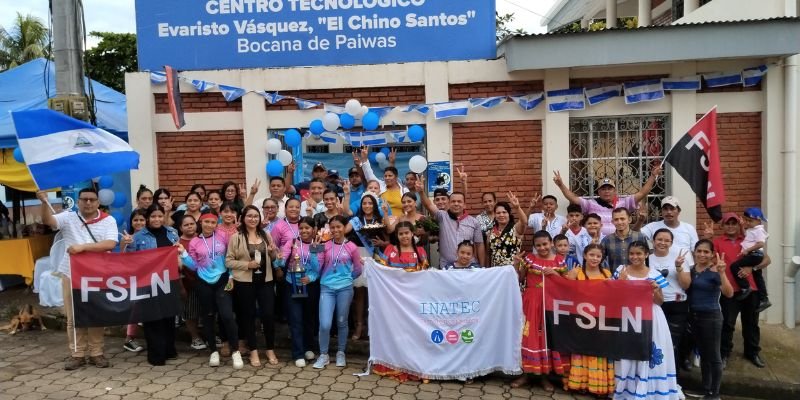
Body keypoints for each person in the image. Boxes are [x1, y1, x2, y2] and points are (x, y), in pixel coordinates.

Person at [37, 188, 118, 370]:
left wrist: (82, 247)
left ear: (98, 202)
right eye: (84, 199)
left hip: (97, 275)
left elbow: (110, 243)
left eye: (92, 199)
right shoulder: (68, 217)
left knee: (96, 314)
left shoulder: (108, 220)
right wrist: (44, 202)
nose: (88, 203)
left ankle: (96, 352)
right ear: (78, 201)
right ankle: (77, 354)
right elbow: (48, 221)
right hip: (71, 273)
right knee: (73, 316)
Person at [613, 241, 680, 400]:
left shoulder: (654, 274)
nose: (635, 257)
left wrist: (656, 290)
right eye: (632, 254)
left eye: (639, 253)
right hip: (627, 316)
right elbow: (613, 297)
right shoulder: (620, 271)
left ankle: (649, 389)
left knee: (648, 350)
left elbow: (660, 302)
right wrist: (620, 283)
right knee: (628, 351)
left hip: (651, 316)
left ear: (646, 255)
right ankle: (626, 388)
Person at [705, 213, 771, 369]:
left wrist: (751, 267)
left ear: (739, 225)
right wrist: (708, 238)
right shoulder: (718, 242)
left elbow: (767, 259)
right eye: (728, 224)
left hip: (751, 289)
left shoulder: (748, 240)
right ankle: (724, 353)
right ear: (723, 226)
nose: (731, 226)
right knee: (727, 324)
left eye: (734, 223)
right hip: (729, 290)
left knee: (751, 324)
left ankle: (752, 352)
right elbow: (706, 258)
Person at [179, 213, 242, 369]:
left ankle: (235, 351)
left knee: (227, 315)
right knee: (208, 316)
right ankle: (213, 351)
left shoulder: (223, 236)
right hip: (203, 282)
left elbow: (230, 257)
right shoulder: (194, 241)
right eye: (206, 221)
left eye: (213, 222)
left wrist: (232, 276)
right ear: (201, 222)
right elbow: (194, 266)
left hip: (223, 279)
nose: (209, 225)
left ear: (216, 224)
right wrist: (184, 254)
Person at [512, 231, 568, 391]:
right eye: (538, 245)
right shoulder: (530, 259)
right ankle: (526, 374)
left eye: (545, 244)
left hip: (550, 304)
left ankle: (544, 377)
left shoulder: (560, 262)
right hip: (531, 302)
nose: (542, 248)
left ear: (551, 243)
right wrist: (517, 264)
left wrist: (556, 274)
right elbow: (520, 279)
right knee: (528, 337)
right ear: (535, 246)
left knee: (544, 338)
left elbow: (566, 285)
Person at [226, 205, 281, 367]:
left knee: (268, 315)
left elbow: (274, 257)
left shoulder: (266, 234)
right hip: (245, 283)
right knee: (248, 317)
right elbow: (228, 261)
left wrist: (272, 252)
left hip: (266, 281)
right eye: (249, 216)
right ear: (243, 218)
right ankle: (254, 351)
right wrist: (246, 265)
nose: (253, 219)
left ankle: (270, 349)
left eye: (256, 216)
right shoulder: (236, 237)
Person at [126, 204, 180, 366]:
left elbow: (177, 255)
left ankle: (169, 350)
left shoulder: (172, 233)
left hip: (168, 280)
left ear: (164, 217)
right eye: (153, 216)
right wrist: (127, 245)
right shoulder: (138, 236)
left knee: (168, 316)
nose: (157, 219)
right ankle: (156, 355)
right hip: (147, 283)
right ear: (148, 218)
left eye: (159, 216)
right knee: (152, 318)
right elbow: (129, 260)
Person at [679, 240, 733, 400]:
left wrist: (722, 273)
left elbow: (729, 293)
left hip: (711, 317)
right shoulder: (691, 270)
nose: (702, 254)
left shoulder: (716, 270)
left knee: (714, 356)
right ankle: (706, 389)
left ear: (711, 254)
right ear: (694, 252)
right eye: (699, 251)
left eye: (706, 252)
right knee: (703, 354)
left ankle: (714, 393)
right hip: (694, 317)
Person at [313, 215, 363, 369]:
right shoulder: (324, 244)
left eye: (338, 227)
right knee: (325, 323)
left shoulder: (352, 247)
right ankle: (323, 354)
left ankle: (341, 352)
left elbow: (358, 269)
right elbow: (316, 268)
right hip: (327, 288)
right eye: (332, 227)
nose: (335, 230)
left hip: (345, 289)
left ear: (344, 228)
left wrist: (347, 279)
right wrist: (315, 251)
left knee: (342, 322)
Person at [553, 166, 662, 236]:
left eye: (609, 189)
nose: (606, 191)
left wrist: (653, 176)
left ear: (614, 191)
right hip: (597, 244)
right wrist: (561, 185)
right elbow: (572, 198)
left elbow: (642, 193)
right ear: (598, 192)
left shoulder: (624, 203)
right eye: (603, 189)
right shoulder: (591, 204)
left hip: (619, 242)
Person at [564, 244, 614, 397]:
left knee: (598, 351)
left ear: (602, 258)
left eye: (598, 256)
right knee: (581, 349)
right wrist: (568, 279)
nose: (594, 258)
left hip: (601, 320)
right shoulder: (576, 273)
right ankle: (579, 383)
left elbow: (613, 296)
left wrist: (621, 282)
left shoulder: (607, 273)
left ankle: (598, 385)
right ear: (585, 255)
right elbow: (565, 294)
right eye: (591, 255)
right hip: (580, 320)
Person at [278, 217, 322, 367]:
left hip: (310, 286)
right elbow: (282, 260)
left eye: (307, 228)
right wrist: (277, 258)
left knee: (309, 318)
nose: (304, 231)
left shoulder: (318, 244)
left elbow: (318, 268)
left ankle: (309, 347)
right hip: (292, 285)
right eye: (301, 228)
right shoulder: (292, 242)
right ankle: (297, 353)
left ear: (313, 229)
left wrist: (310, 277)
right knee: (295, 319)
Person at [649, 228, 692, 384]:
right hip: (654, 305)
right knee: (655, 344)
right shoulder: (647, 258)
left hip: (676, 306)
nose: (663, 243)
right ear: (653, 241)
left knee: (672, 345)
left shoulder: (680, 258)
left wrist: (679, 267)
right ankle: (656, 382)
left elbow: (686, 284)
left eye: (667, 240)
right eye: (659, 239)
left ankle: (674, 384)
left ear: (672, 243)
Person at [343, 191, 386, 340]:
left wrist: (382, 243)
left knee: (375, 295)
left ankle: (375, 327)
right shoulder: (356, 220)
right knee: (359, 293)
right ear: (361, 205)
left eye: (370, 203)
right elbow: (343, 232)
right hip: (359, 256)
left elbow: (388, 240)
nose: (367, 206)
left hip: (375, 256)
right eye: (364, 203)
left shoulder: (380, 219)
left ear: (375, 205)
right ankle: (359, 325)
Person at [418, 180, 485, 268]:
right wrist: (421, 191)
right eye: (453, 201)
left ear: (464, 205)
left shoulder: (474, 222)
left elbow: (479, 245)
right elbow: (428, 205)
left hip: (469, 267)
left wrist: (483, 267)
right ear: (449, 203)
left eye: (459, 202)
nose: (456, 204)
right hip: (446, 268)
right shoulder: (442, 216)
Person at [640, 196, 699, 266]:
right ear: (661, 211)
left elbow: (695, 251)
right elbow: (635, 235)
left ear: (679, 211)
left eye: (672, 209)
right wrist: (640, 221)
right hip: (661, 268)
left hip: (686, 269)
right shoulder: (652, 226)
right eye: (665, 209)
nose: (669, 212)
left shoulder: (689, 228)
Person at [120, 209, 148, 353]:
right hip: (135, 278)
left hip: (151, 277)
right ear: (131, 222)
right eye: (135, 220)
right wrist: (125, 243)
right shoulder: (127, 237)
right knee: (135, 307)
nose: (139, 223)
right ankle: (129, 339)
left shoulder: (151, 236)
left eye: (142, 220)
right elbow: (123, 256)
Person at [730, 207, 769, 308]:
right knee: (758, 277)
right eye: (746, 220)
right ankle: (764, 299)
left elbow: (761, 244)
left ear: (758, 220)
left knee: (734, 266)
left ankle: (745, 287)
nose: (747, 222)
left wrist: (748, 250)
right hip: (754, 255)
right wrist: (743, 226)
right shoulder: (752, 229)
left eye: (750, 221)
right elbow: (746, 235)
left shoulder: (759, 230)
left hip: (755, 255)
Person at [176, 214, 205, 351]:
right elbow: (176, 268)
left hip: (206, 281)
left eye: (192, 224)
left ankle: (209, 335)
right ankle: (195, 337)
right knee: (190, 312)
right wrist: (181, 287)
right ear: (180, 227)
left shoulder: (203, 237)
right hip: (188, 283)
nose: (189, 227)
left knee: (207, 311)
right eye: (186, 225)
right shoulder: (177, 243)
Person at [487, 194, 527, 267]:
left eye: (504, 212)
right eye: (498, 213)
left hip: (513, 269)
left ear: (509, 214)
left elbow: (524, 222)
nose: (501, 215)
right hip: (496, 272)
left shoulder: (515, 229)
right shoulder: (490, 233)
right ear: (495, 215)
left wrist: (517, 207)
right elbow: (489, 254)